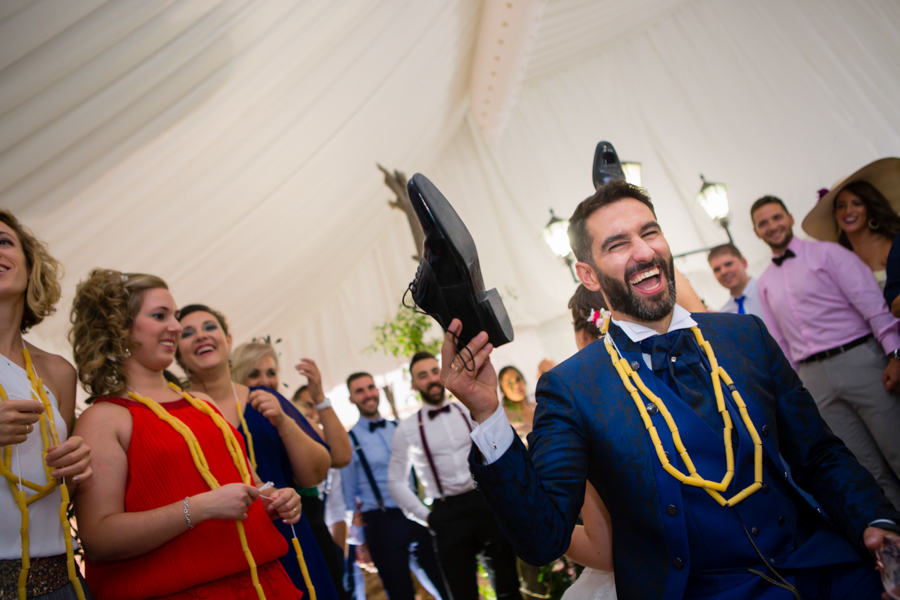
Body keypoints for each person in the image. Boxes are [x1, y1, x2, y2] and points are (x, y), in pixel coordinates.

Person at [441, 179, 900, 599]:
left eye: (650, 233)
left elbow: (820, 454)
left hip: (823, 568)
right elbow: (542, 538)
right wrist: (488, 416)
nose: (643, 252)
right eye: (618, 244)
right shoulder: (572, 387)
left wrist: (873, 519)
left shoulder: (745, 336)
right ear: (588, 275)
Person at [69, 270, 303, 600]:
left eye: (175, 316)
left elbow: (250, 486)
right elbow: (97, 539)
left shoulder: (203, 405)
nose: (176, 327)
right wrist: (199, 508)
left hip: (264, 584)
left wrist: (274, 500)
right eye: (159, 315)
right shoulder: (104, 420)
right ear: (119, 328)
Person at [175, 304, 339, 599]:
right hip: (224, 551)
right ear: (176, 349)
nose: (201, 336)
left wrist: (282, 420)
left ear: (228, 339)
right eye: (188, 332)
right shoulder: (176, 413)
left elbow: (315, 473)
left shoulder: (266, 399)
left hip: (289, 536)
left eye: (209, 327)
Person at [753, 195, 900, 509]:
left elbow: (874, 308)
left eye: (776, 217)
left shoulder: (829, 253)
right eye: (763, 222)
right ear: (756, 232)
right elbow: (781, 345)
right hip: (814, 379)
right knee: (865, 469)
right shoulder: (764, 283)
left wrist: (895, 354)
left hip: (860, 358)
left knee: (897, 449)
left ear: (790, 218)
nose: (772, 226)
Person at [0, 211, 93, 600]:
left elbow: (64, 487)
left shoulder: (58, 372)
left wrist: (77, 465)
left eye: (4, 241)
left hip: (59, 580)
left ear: (30, 262)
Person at [389, 352, 522, 600]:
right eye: (422, 375)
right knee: (462, 594)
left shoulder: (467, 409)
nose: (431, 379)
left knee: (508, 588)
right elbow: (395, 482)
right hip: (446, 514)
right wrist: (427, 517)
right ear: (413, 384)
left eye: (433, 371)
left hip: (484, 503)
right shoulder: (406, 430)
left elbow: (496, 448)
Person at [230, 340, 350, 600]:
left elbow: (340, 457)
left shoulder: (279, 407)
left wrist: (318, 397)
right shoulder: (228, 413)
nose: (265, 381)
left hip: (302, 517)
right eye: (254, 373)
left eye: (271, 373)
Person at [341, 372, 448, 600]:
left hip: (414, 513)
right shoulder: (349, 441)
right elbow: (348, 495)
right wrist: (359, 541)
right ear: (351, 398)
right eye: (360, 391)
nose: (368, 394)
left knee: (443, 584)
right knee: (400, 593)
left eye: (370, 387)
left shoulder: (400, 428)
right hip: (380, 521)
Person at [802, 157, 900, 290]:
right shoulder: (837, 257)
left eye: (857, 203)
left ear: (870, 207)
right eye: (841, 206)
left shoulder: (890, 245)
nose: (848, 211)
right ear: (835, 214)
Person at [707, 244, 766, 321]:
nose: (723, 272)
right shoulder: (725, 313)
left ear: (744, 262)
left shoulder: (768, 292)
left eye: (728, 264)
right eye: (717, 269)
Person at [497, 365, 536, 439]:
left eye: (518, 379)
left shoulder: (538, 406)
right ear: (503, 389)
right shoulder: (503, 418)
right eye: (509, 383)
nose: (517, 385)